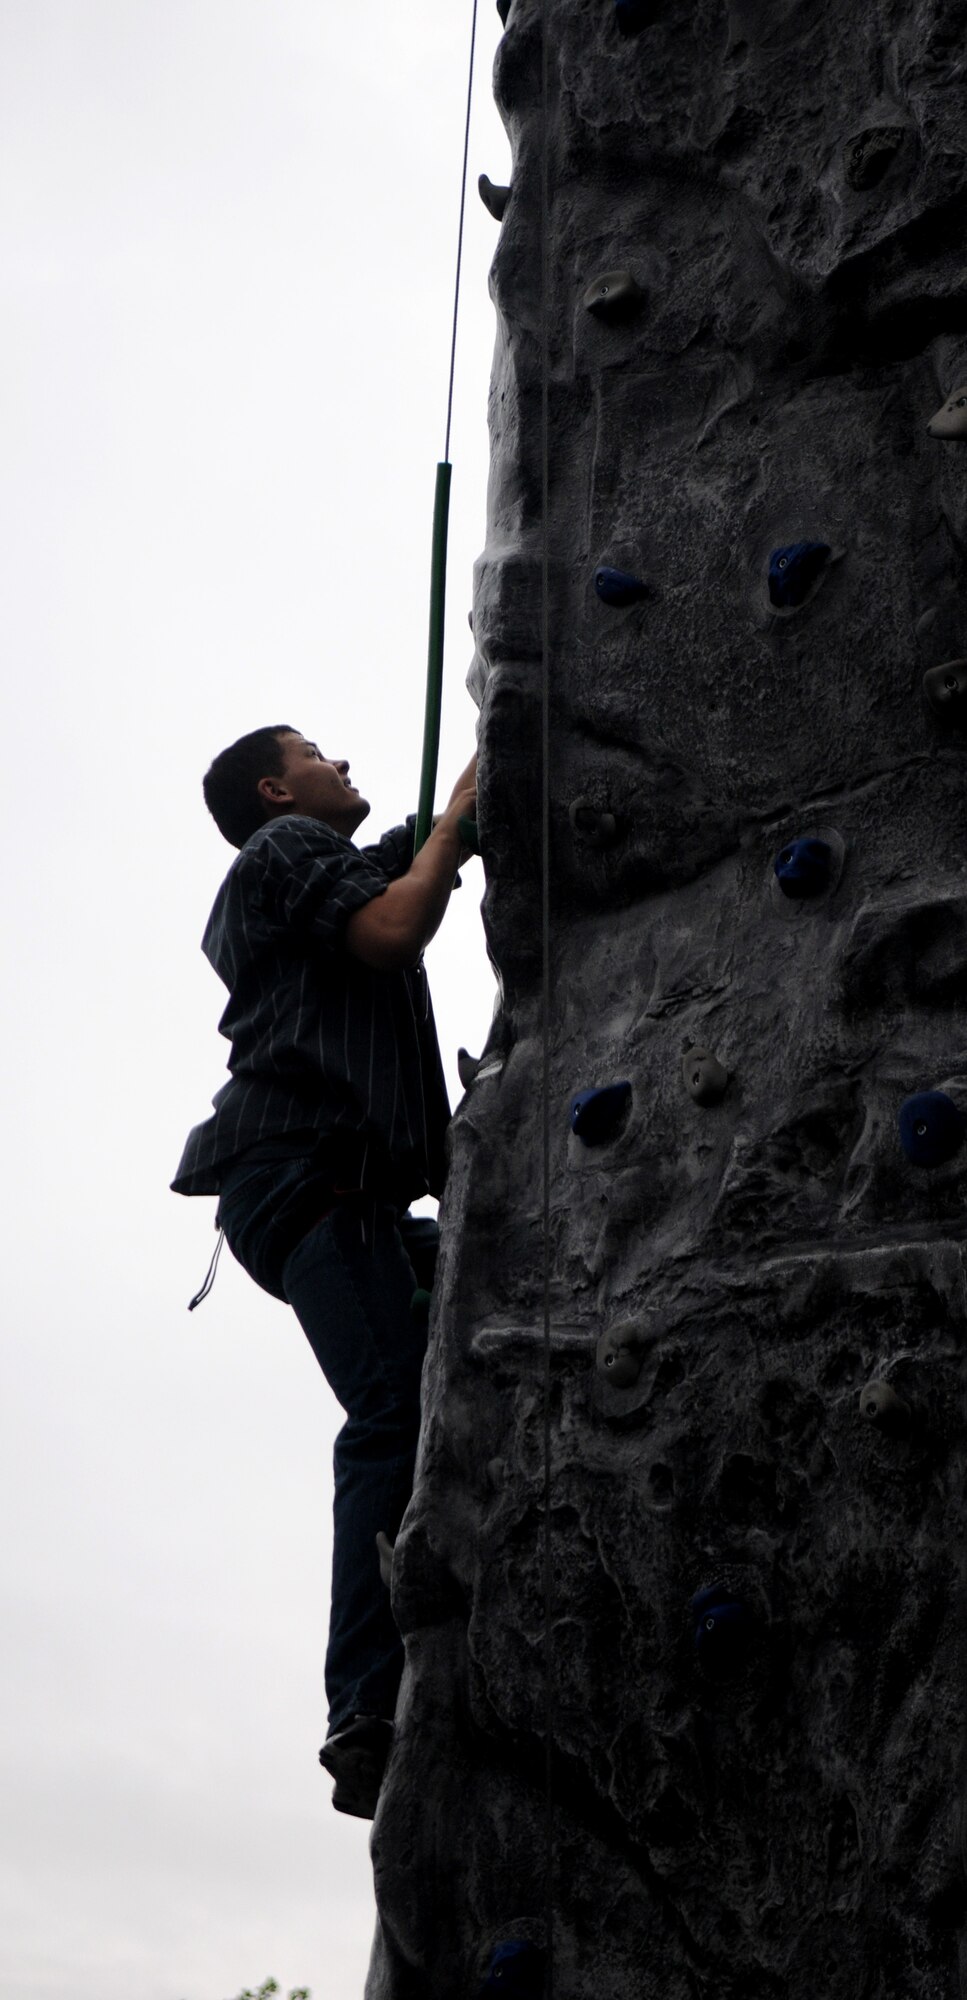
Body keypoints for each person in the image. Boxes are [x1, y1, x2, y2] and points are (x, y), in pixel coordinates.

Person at [171, 724, 476, 1817]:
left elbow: (428, 845)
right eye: (313, 750)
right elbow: (397, 927)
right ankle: (366, 1700)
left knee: (490, 1307)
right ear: (273, 786)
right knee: (392, 1406)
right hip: (311, 1179)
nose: (338, 759)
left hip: (353, 1195)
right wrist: (447, 832)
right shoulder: (283, 850)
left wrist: (475, 785)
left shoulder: (322, 861)